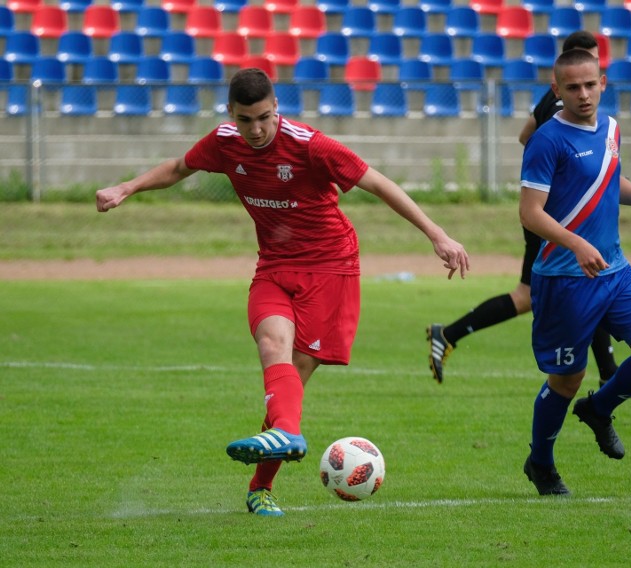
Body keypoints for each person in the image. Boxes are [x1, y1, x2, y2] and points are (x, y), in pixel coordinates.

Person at [95, 68, 470, 517]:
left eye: (264, 118)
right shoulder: (224, 141)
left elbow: (378, 183)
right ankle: (286, 439)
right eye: (246, 119)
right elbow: (179, 168)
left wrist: (437, 235)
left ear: (277, 109)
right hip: (273, 265)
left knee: (295, 373)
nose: (256, 130)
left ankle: (260, 486)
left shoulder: (310, 145)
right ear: (231, 113)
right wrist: (127, 187)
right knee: (273, 346)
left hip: (331, 267)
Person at [519, 49, 631, 496]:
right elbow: (530, 213)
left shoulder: (610, 129)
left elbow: (607, 181)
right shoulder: (547, 141)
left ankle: (600, 408)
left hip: (615, 271)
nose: (583, 94)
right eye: (572, 87)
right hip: (566, 280)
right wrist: (576, 242)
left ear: (603, 82)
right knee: (566, 380)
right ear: (557, 90)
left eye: (590, 85)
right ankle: (541, 464)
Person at [427, 30, 619, 388]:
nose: (587, 82)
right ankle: (608, 375)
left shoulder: (551, 99)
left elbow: (523, 135)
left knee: (533, 294)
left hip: (554, 213)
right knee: (588, 282)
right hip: (555, 218)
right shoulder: (566, 109)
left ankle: (448, 333)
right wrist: (555, 179)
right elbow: (540, 142)